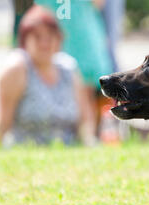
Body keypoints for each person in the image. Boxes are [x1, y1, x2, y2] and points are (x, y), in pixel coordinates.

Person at [0, 5, 94, 147]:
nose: (44, 42)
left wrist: (89, 145)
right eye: (37, 36)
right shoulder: (17, 68)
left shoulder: (68, 68)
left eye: (50, 36)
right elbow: (3, 123)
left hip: (67, 149)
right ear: (24, 41)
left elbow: (85, 120)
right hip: (26, 148)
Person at [35, 0, 113, 138]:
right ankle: (85, 136)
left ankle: (89, 135)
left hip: (75, 35)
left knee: (84, 91)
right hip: (69, 35)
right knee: (78, 92)